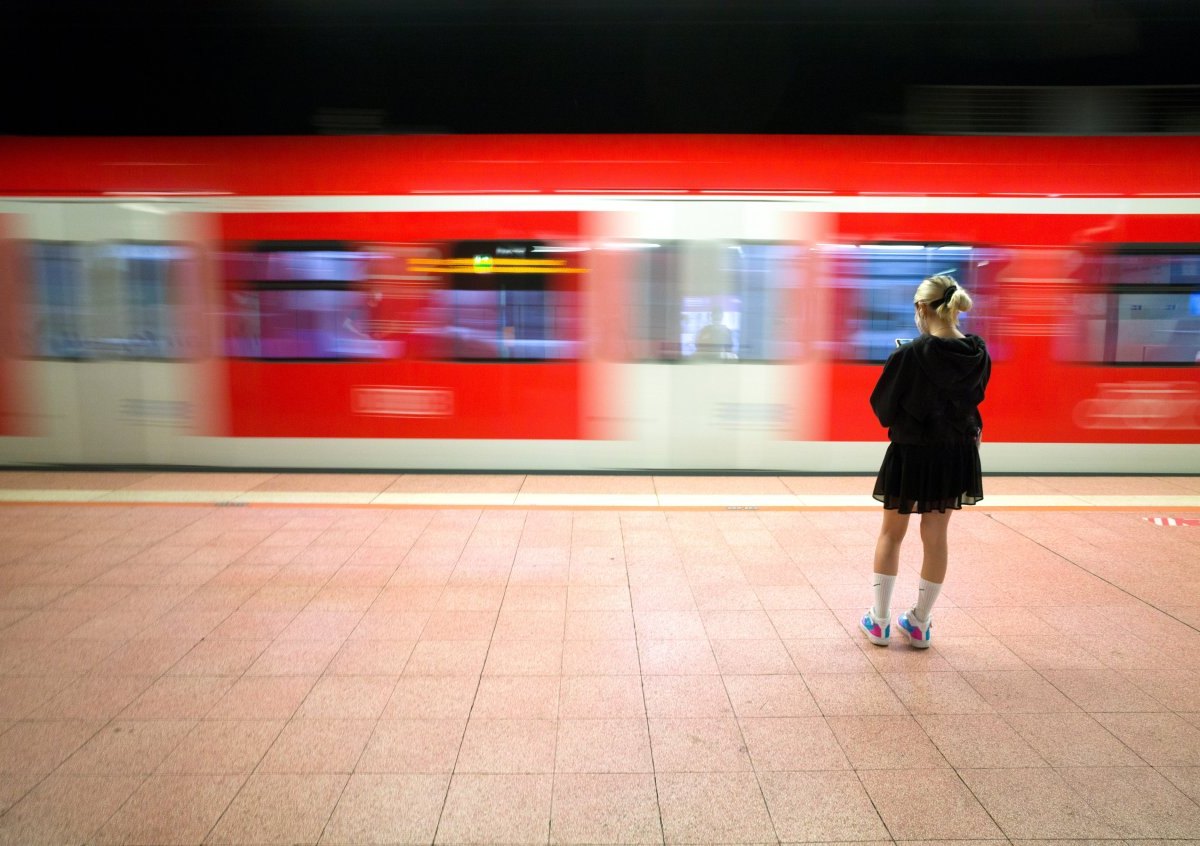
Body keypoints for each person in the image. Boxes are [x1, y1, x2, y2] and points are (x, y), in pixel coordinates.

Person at [860, 274, 991, 649]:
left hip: (912, 453)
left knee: (891, 534)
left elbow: (883, 410)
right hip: (956, 454)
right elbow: (974, 399)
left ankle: (880, 622)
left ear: (921, 308)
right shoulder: (978, 353)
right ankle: (919, 623)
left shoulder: (909, 355)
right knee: (936, 538)